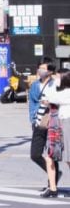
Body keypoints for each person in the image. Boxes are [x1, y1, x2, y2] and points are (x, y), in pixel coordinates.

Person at [38, 68, 70, 197]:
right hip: (55, 125)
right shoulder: (56, 89)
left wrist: (49, 98)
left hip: (66, 123)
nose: (55, 79)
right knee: (48, 155)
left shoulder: (67, 92)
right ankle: (52, 188)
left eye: (57, 77)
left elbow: (53, 98)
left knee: (68, 157)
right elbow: (46, 96)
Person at [29, 59, 60, 190]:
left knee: (52, 154)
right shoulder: (35, 85)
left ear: (50, 71)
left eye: (43, 68)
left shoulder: (56, 84)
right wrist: (33, 119)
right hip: (38, 121)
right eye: (39, 68)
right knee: (35, 154)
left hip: (53, 121)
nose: (40, 70)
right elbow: (31, 103)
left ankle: (52, 183)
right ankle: (55, 174)